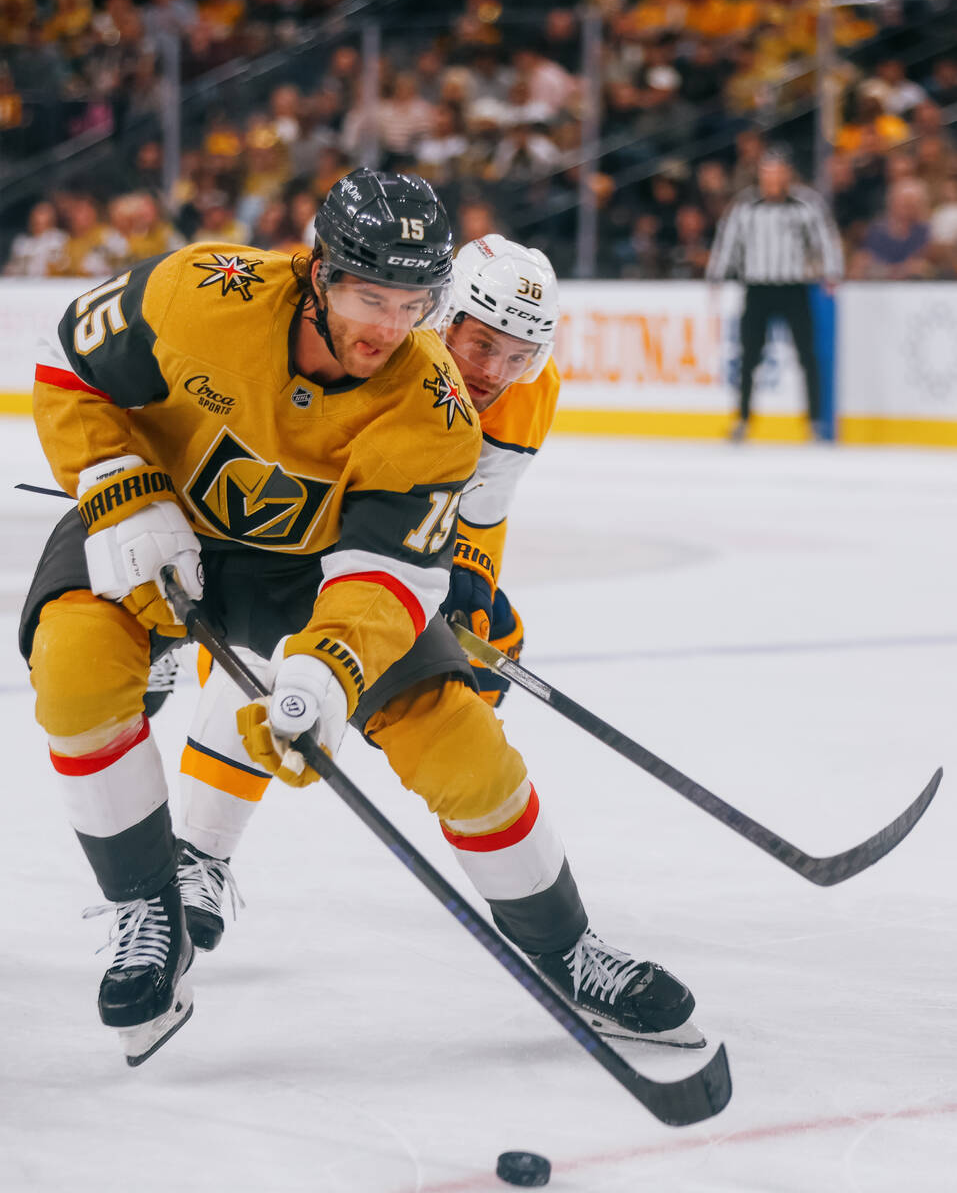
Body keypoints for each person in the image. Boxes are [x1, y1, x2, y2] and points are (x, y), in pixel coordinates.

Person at [20, 169, 698, 1066]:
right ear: (317, 271)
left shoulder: (437, 408)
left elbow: (385, 573)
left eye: (413, 301)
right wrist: (117, 482)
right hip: (161, 523)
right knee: (73, 666)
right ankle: (152, 906)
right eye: (369, 295)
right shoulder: (201, 291)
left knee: (456, 735)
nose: (388, 326)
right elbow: (68, 358)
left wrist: (326, 671)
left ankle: (568, 951)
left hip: (312, 571)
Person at [173, 234, 562, 938]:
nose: (495, 373)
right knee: (265, 657)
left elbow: (478, 503)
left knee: (486, 647)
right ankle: (197, 855)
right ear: (440, 320)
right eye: (481, 345)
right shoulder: (367, 346)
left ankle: (502, 849)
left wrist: (468, 580)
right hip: (282, 505)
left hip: (389, 521)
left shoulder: (531, 393)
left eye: (518, 355)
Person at [706, 148, 844, 441]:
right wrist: (716, 275)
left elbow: (825, 239)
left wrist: (832, 273)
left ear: (787, 174)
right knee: (749, 356)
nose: (772, 178)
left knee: (807, 355)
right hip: (758, 289)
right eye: (767, 172)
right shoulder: (745, 207)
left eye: (777, 171)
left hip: (794, 288)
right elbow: (727, 241)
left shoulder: (806, 205)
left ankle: (815, 422)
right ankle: (743, 419)